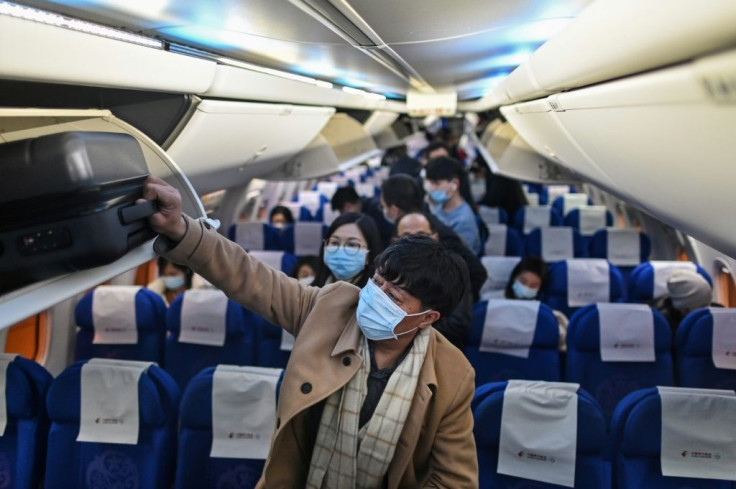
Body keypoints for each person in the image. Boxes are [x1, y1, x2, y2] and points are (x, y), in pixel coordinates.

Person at [141, 175, 478, 488]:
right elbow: (250, 277)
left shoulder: (453, 375)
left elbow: (454, 481)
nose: (375, 296)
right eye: (376, 282)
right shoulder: (331, 307)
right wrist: (181, 229)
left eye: (393, 296)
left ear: (426, 317)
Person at [380, 174, 487, 302]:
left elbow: (477, 272)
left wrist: (454, 305)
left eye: (383, 206)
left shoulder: (442, 237)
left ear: (394, 210)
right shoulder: (423, 221)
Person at [395, 212, 472, 350]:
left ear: (435, 237)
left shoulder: (452, 272)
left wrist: (408, 329)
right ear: (395, 240)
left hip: (437, 348)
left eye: (421, 236)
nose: (414, 243)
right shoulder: (387, 270)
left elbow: (457, 323)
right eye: (407, 237)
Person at [504, 256, 569, 351]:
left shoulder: (547, 315)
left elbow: (563, 344)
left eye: (533, 286)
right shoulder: (488, 303)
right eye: (523, 281)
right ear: (514, 278)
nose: (526, 288)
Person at [424, 156, 482, 256]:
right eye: (431, 183)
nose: (432, 188)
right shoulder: (438, 204)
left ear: (454, 184)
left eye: (437, 184)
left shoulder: (463, 221)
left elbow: (462, 257)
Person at [312, 212, 384, 288]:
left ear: (369, 255)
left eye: (352, 244)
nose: (340, 251)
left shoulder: (375, 297)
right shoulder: (308, 293)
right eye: (335, 242)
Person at [653, 270, 716, 334]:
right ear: (684, 309)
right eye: (702, 306)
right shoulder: (663, 326)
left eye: (708, 303)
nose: (708, 309)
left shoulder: (716, 313)